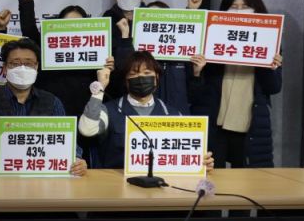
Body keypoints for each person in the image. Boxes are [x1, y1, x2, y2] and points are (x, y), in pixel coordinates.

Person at [16, 0, 113, 163]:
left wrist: (108, 66)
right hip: (51, 112)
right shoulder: (47, 47)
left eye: (78, 23)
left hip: (84, 113)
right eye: (67, 23)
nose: (73, 28)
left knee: (84, 162)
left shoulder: (97, 49)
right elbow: (29, 30)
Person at [0, 38, 87, 174]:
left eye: (28, 63)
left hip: (39, 175)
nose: (22, 68)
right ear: (5, 68)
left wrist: (77, 159)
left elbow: (67, 140)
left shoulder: (52, 101)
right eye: (15, 63)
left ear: (36, 67)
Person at [189, 0, 282, 167]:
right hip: (215, 122)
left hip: (248, 124)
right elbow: (196, 89)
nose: (239, 11)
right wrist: (197, 71)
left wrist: (270, 68)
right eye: (233, 6)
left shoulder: (269, 40)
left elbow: (274, 87)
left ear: (257, 10)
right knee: (212, 176)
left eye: (245, 6)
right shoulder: (211, 36)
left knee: (247, 179)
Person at [79, 50, 214, 170]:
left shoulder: (174, 115)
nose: (141, 78)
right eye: (134, 73)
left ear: (156, 78)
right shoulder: (108, 110)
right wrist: (100, 88)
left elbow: (184, 155)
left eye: (147, 73)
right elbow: (87, 130)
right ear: (126, 81)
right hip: (116, 183)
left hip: (160, 183)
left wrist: (200, 163)